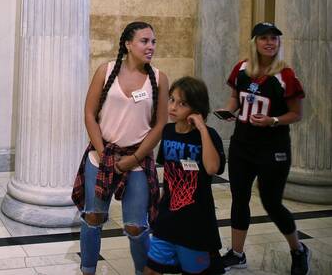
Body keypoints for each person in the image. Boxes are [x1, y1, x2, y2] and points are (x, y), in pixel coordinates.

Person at [72, 21, 169, 275]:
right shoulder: (106, 71)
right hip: (101, 157)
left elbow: (159, 125)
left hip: (136, 160)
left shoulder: (158, 78)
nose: (151, 47)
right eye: (144, 41)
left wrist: (134, 157)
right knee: (93, 217)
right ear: (128, 44)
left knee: (136, 227)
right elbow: (89, 114)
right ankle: (88, 270)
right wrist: (103, 153)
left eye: (153, 42)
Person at [217, 22, 310, 275]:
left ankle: (298, 250)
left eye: (274, 38)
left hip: (273, 148)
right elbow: (236, 97)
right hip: (242, 146)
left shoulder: (285, 75)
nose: (270, 42)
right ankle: (237, 253)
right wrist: (229, 109)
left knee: (271, 202)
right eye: (264, 38)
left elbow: (295, 114)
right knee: (240, 198)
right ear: (254, 42)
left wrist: (273, 121)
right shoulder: (242, 68)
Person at [144, 77, 226, 275]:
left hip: (195, 222)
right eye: (171, 100)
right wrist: (161, 205)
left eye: (182, 103)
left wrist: (202, 129)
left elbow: (212, 168)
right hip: (168, 218)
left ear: (196, 108)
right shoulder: (168, 131)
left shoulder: (209, 135)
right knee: (151, 269)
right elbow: (169, 173)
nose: (173, 107)